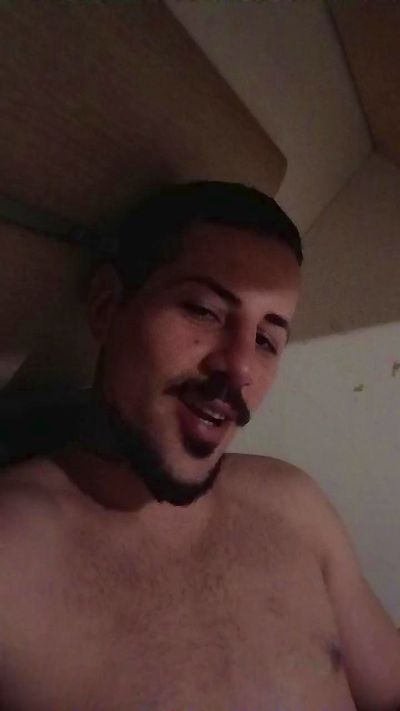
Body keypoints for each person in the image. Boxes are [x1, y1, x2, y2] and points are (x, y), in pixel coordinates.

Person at [0, 181, 399, 711]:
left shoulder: (293, 503)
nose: (241, 367)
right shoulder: (13, 557)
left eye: (266, 340)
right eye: (204, 310)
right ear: (107, 305)